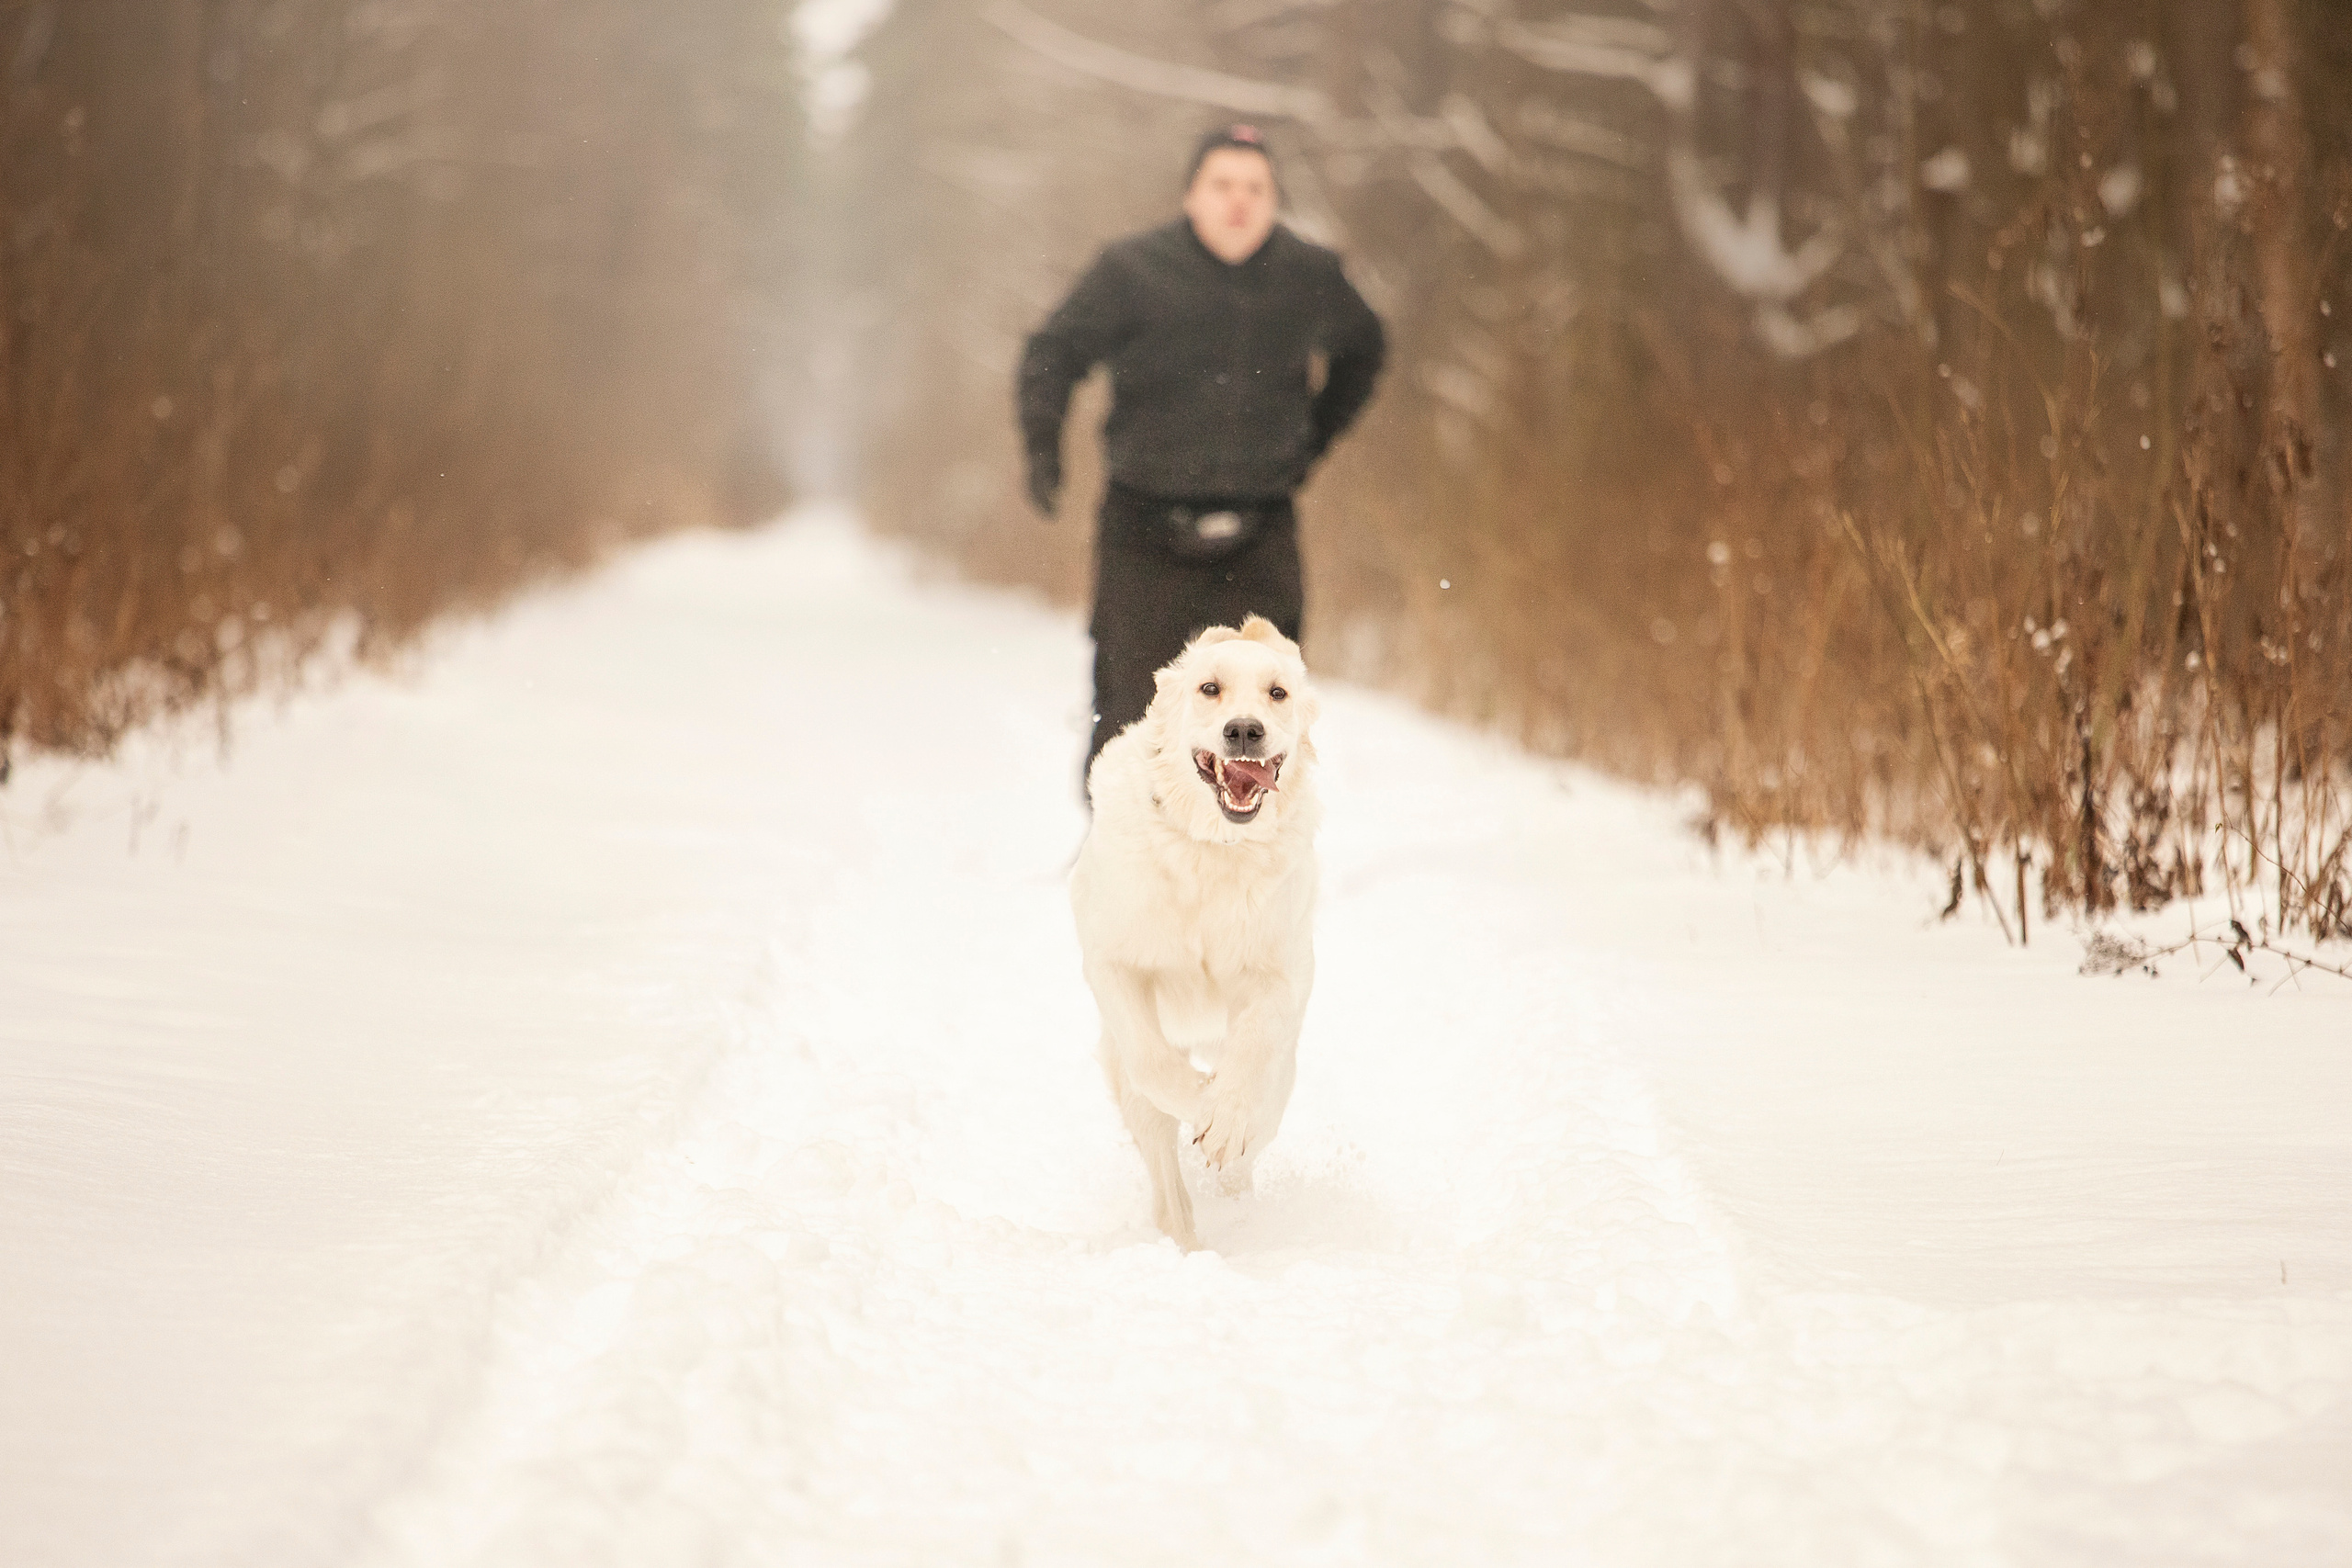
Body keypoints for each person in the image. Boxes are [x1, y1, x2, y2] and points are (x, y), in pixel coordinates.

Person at [1018, 124, 1385, 771]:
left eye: (1255, 188)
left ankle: (1244, 835)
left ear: (1273, 200)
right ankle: (1127, 832)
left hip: (1260, 533)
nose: (1238, 201)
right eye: (1222, 185)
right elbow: (1053, 353)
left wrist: (1311, 441)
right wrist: (1043, 449)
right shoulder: (1131, 270)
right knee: (1134, 722)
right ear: (1191, 195)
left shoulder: (1308, 274)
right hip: (1145, 530)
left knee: (1261, 729)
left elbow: (1365, 349)